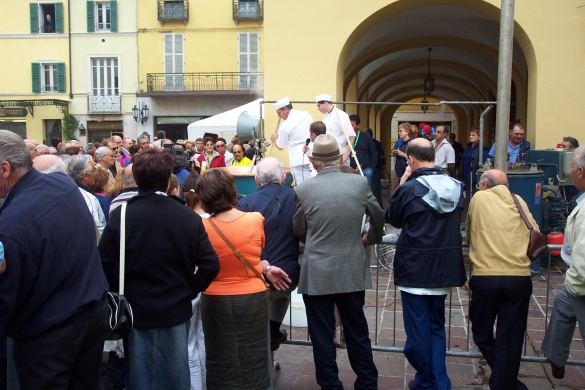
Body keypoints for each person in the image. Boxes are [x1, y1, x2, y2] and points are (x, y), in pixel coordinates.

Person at [98, 148, 220, 390]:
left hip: (135, 308)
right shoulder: (187, 216)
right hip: (174, 306)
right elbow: (210, 264)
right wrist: (188, 290)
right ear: (167, 181)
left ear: (137, 181)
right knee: (175, 375)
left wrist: (118, 291)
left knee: (141, 377)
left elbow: (103, 263)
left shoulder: (122, 214)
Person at [0, 130, 108, 389]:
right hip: (89, 312)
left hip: (49, 334)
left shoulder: (11, 226)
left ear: (5, 169)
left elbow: (7, 298)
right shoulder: (62, 184)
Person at [293, 134, 384, 389]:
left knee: (322, 335)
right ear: (339, 158)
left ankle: (331, 385)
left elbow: (299, 229)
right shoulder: (358, 183)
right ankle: (367, 383)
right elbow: (378, 216)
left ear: (314, 162)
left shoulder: (303, 189)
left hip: (317, 270)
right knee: (357, 331)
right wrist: (370, 238)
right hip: (350, 266)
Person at [195, 169, 291, 389]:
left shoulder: (201, 226)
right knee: (254, 352)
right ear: (231, 190)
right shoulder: (255, 220)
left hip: (214, 296)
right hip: (252, 295)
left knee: (219, 354)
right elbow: (257, 251)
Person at [385, 138, 466, 390]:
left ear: (411, 159)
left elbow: (392, 219)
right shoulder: (456, 187)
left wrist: (402, 182)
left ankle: (429, 380)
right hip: (444, 267)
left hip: (416, 267)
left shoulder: (410, 189)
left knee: (418, 332)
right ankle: (435, 382)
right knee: (436, 328)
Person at [466, 169, 535, 390]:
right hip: (519, 277)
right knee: (511, 337)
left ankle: (503, 382)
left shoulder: (478, 198)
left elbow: (469, 229)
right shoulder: (520, 201)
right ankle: (507, 381)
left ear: (484, 185)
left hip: (487, 277)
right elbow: (535, 230)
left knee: (482, 332)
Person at [237, 157, 301, 351]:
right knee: (283, 289)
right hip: (288, 274)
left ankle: (267, 334)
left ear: (257, 180)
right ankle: (272, 331)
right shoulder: (296, 197)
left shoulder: (245, 204)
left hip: (256, 274)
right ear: (283, 177)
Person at [541, 146, 585, 380]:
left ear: (581, 171)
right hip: (576, 284)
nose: (567, 172)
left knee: (569, 299)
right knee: (563, 303)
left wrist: (574, 282)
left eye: (570, 167)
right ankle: (556, 358)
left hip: (581, 284)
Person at [270, 96, 313, 185]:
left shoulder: (285, 125)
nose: (279, 116)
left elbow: (280, 146)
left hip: (298, 158)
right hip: (311, 153)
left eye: (279, 113)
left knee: (302, 186)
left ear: (285, 109)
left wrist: (275, 139)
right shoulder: (306, 114)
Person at [67, 155, 107, 235]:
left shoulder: (65, 191)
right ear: (85, 175)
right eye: (94, 170)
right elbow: (97, 229)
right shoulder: (88, 198)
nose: (96, 173)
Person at [316, 94, 356, 165]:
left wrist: (346, 155)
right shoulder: (326, 117)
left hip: (340, 154)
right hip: (329, 154)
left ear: (325, 103)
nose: (318, 108)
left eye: (319, 105)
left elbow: (351, 136)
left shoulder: (340, 115)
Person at [349, 115, 377, 190]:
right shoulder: (346, 136)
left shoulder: (366, 137)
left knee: (366, 193)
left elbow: (374, 153)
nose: (350, 127)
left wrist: (371, 169)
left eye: (352, 125)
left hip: (365, 170)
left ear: (358, 125)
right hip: (350, 170)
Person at [461, 126, 489, 193]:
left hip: (475, 180)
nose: (471, 136)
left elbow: (484, 165)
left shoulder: (482, 149)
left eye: (473, 135)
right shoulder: (468, 147)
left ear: (479, 137)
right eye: (470, 135)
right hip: (466, 178)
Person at [392, 122, 412, 194]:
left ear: (407, 131)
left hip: (407, 171)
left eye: (401, 131)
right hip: (397, 169)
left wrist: (402, 154)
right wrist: (394, 151)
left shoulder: (412, 143)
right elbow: (394, 148)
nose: (399, 133)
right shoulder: (399, 141)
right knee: (394, 192)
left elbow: (413, 158)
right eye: (398, 131)